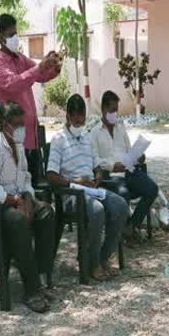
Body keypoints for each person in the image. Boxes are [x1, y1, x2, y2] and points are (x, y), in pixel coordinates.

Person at [0, 102, 56, 313]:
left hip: (15, 199)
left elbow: (25, 179)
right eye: (17, 124)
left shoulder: (18, 147)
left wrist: (28, 198)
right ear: (5, 124)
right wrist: (16, 201)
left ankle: (38, 276)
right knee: (18, 221)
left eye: (23, 124)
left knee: (46, 212)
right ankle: (31, 290)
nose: (22, 128)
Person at [46, 94, 129, 281]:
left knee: (121, 206)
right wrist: (75, 181)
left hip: (93, 189)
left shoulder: (85, 136)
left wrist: (98, 175)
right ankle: (92, 263)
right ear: (67, 116)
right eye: (74, 116)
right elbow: (51, 176)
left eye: (81, 116)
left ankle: (103, 256)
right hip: (72, 194)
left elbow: (95, 165)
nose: (78, 120)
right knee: (97, 210)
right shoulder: (58, 139)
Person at [0, 13, 61, 184]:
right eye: (11, 34)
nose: (15, 38)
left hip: (31, 137)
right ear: (1, 37)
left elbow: (40, 75)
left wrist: (53, 67)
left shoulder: (20, 58)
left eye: (16, 33)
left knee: (33, 185)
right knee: (19, 187)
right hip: (14, 138)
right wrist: (40, 67)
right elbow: (15, 83)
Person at [91, 90, 158, 240]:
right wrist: (113, 166)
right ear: (103, 109)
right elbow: (94, 159)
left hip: (129, 171)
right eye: (112, 110)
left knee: (152, 189)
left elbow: (129, 151)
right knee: (123, 193)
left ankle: (130, 226)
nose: (115, 114)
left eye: (116, 110)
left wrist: (138, 156)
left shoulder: (121, 128)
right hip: (111, 176)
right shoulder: (94, 133)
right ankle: (123, 230)